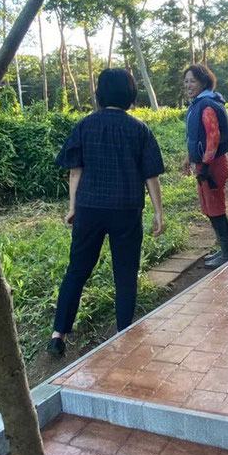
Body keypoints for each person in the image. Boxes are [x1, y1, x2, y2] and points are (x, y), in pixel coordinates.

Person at [50, 68, 165, 357]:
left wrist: (73, 208)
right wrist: (158, 212)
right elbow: (151, 176)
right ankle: (124, 332)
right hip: (126, 210)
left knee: (76, 270)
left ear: (99, 95)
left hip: (89, 208)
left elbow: (75, 173)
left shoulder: (84, 126)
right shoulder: (140, 129)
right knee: (125, 272)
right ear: (130, 95)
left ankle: (58, 334)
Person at [182, 63, 228, 268]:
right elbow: (195, 137)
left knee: (216, 208)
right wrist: (189, 158)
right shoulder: (198, 104)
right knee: (209, 208)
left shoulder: (207, 105)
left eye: (192, 80)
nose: (188, 85)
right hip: (204, 165)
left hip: (213, 166)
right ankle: (223, 249)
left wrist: (204, 167)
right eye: (186, 81)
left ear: (204, 81)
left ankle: (227, 252)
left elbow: (213, 137)